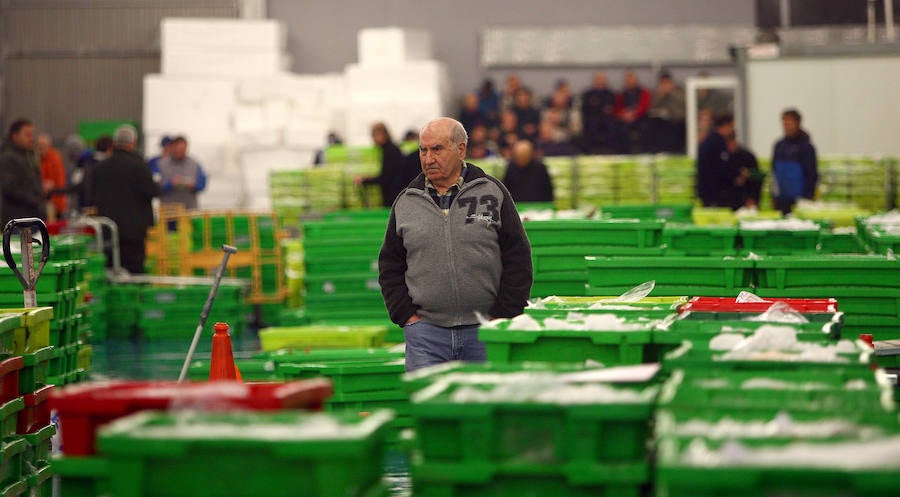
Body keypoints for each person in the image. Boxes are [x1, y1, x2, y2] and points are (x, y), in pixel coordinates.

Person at [378, 117, 532, 372]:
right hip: (426, 336)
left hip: (487, 332)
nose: (428, 159)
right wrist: (407, 316)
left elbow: (518, 256)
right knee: (431, 409)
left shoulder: (491, 193)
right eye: (423, 150)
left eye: (437, 149)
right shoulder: (406, 201)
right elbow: (389, 265)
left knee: (486, 408)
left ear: (461, 149)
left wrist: (503, 315)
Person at [90, 125, 160, 274]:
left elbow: (91, 197)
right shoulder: (140, 166)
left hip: (108, 230)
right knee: (133, 274)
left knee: (111, 273)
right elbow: (153, 191)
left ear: (115, 143)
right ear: (133, 143)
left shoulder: (100, 168)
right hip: (134, 233)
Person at [357, 123, 419, 208]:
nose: (373, 139)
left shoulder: (389, 151)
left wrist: (365, 180)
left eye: (374, 135)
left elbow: (386, 177)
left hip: (393, 196)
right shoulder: (390, 149)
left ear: (382, 134)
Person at [695, 114, 748, 209]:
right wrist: (738, 173)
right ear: (725, 126)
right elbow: (721, 167)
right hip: (714, 193)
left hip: (707, 192)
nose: (732, 130)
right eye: (731, 126)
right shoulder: (717, 143)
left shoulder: (709, 141)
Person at [771, 108, 818, 214]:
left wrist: (808, 197)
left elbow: (812, 174)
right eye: (784, 123)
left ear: (798, 123)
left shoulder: (806, 147)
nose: (787, 126)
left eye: (790, 123)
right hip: (781, 200)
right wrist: (773, 195)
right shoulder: (779, 146)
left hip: (800, 201)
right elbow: (773, 172)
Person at [0, 119, 45, 225]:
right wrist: (35, 200)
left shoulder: (28, 155)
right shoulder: (8, 157)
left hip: (31, 218)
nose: (31, 138)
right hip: (19, 222)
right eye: (27, 135)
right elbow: (10, 188)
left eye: (32, 134)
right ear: (15, 136)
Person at [154, 136, 207, 210]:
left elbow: (202, 184)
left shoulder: (195, 164)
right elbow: (154, 188)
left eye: (183, 150)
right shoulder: (160, 165)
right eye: (178, 150)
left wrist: (194, 185)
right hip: (168, 213)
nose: (180, 153)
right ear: (172, 147)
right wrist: (171, 184)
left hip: (189, 211)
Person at [646, 71, 686, 153]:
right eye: (662, 82)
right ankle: (657, 151)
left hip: (678, 118)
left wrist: (671, 91)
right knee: (651, 125)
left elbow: (684, 101)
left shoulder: (679, 90)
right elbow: (652, 106)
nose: (665, 84)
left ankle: (674, 151)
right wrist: (660, 95)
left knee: (675, 128)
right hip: (663, 119)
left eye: (666, 82)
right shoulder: (658, 91)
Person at [614, 70, 652, 153]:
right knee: (619, 129)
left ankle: (645, 152)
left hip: (640, 118)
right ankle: (623, 153)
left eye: (631, 80)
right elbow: (617, 108)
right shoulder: (621, 94)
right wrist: (624, 115)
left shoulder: (644, 92)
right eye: (628, 80)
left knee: (646, 128)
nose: (630, 82)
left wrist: (633, 114)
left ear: (636, 80)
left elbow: (644, 106)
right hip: (625, 119)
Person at [581, 72, 617, 152]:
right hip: (592, 117)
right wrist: (601, 108)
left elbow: (611, 107)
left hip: (607, 118)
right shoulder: (588, 94)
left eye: (602, 79)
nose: (600, 81)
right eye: (598, 79)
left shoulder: (610, 93)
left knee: (612, 125)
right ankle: (590, 151)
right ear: (595, 80)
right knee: (591, 125)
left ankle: (611, 150)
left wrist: (599, 107)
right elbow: (586, 108)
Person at [36, 133, 68, 220]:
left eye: (43, 145)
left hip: (55, 202)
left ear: (48, 145)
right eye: (39, 145)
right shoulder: (36, 159)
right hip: (42, 202)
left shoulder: (55, 158)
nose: (40, 148)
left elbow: (59, 181)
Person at [726, 133, 763, 208]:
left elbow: (758, 177)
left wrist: (753, 198)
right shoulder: (723, 158)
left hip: (746, 200)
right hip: (727, 201)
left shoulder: (747, 157)